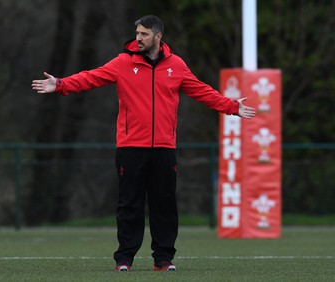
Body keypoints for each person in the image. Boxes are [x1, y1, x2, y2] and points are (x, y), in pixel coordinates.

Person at [32, 15, 256, 272]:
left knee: (165, 206)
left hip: (164, 148)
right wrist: (60, 84)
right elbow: (90, 78)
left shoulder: (177, 65)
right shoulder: (122, 63)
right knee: (129, 205)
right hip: (130, 148)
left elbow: (202, 91)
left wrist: (231, 107)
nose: (138, 38)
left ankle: (163, 259)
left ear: (158, 37)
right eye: (137, 33)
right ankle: (124, 259)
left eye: (144, 34)